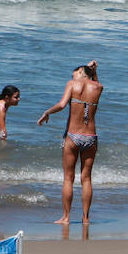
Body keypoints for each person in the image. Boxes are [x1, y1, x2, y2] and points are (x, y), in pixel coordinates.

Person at [37, 62, 103, 225]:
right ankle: (86, 218)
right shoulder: (98, 87)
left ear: (81, 72)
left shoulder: (72, 84)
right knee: (86, 178)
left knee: (68, 178)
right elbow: (95, 81)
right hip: (91, 137)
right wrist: (93, 71)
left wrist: (47, 112)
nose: (72, 77)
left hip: (73, 136)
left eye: (75, 73)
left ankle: (66, 217)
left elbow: (61, 104)